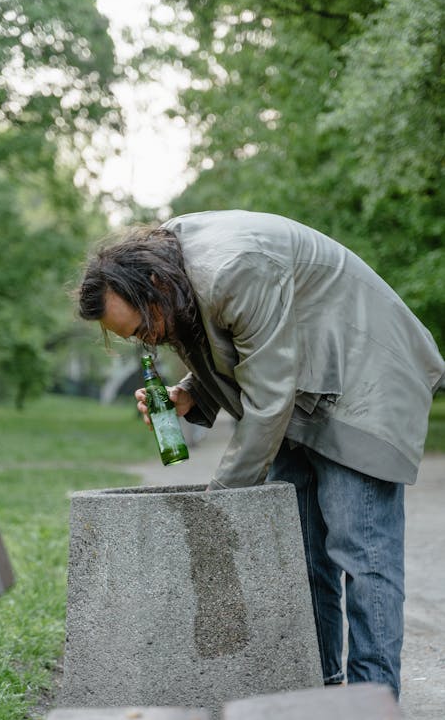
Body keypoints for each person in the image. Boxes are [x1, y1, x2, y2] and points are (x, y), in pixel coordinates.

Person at [77, 209, 444, 698]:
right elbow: (241, 347)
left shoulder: (233, 267)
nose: (149, 341)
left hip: (365, 379)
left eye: (145, 327)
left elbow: (268, 400)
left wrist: (219, 501)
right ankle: (323, 692)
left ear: (149, 283)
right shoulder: (174, 271)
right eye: (136, 339)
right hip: (303, 389)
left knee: (361, 553)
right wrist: (190, 393)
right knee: (305, 554)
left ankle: (370, 700)